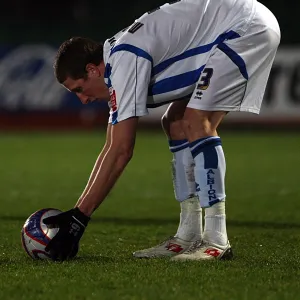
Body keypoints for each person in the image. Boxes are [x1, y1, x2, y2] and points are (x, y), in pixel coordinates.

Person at [43, 0, 280, 261]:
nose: (83, 100)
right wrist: (78, 213)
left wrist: (81, 219)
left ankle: (216, 239)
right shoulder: (117, 61)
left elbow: (122, 150)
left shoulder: (123, 58)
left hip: (246, 27)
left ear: (92, 69)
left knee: (195, 120)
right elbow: (111, 146)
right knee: (175, 123)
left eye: (79, 89)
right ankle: (189, 233)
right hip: (235, 25)